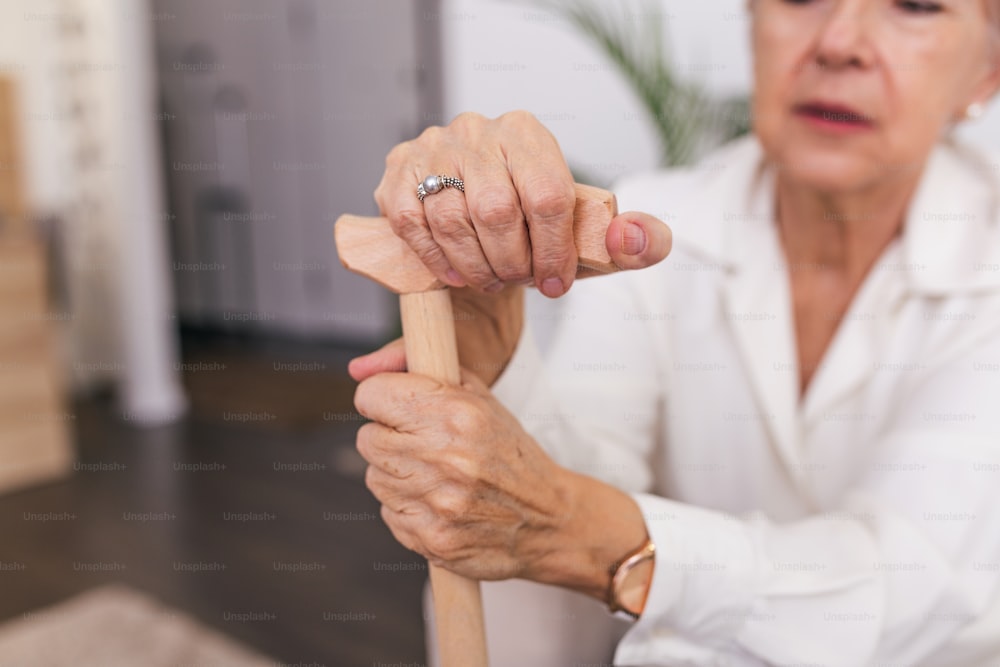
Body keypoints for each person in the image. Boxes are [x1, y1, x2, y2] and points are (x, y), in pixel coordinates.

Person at [348, 0, 1000, 664]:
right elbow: (554, 499)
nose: (838, 42)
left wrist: (574, 526)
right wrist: (492, 352)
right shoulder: (658, 221)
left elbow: (906, 587)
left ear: (986, 73)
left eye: (917, 5)